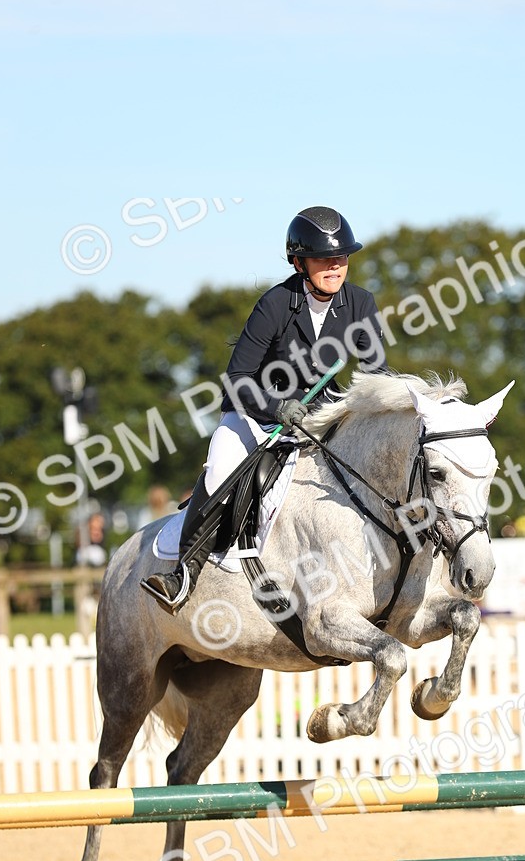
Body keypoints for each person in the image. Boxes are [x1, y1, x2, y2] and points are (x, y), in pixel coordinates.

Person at [142, 206, 389, 610]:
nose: (335, 265)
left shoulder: (360, 304)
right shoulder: (275, 304)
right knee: (221, 469)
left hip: (319, 419)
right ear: (299, 262)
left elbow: (377, 377)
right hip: (255, 414)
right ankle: (182, 574)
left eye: (342, 257)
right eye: (324, 258)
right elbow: (237, 379)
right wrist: (278, 408)